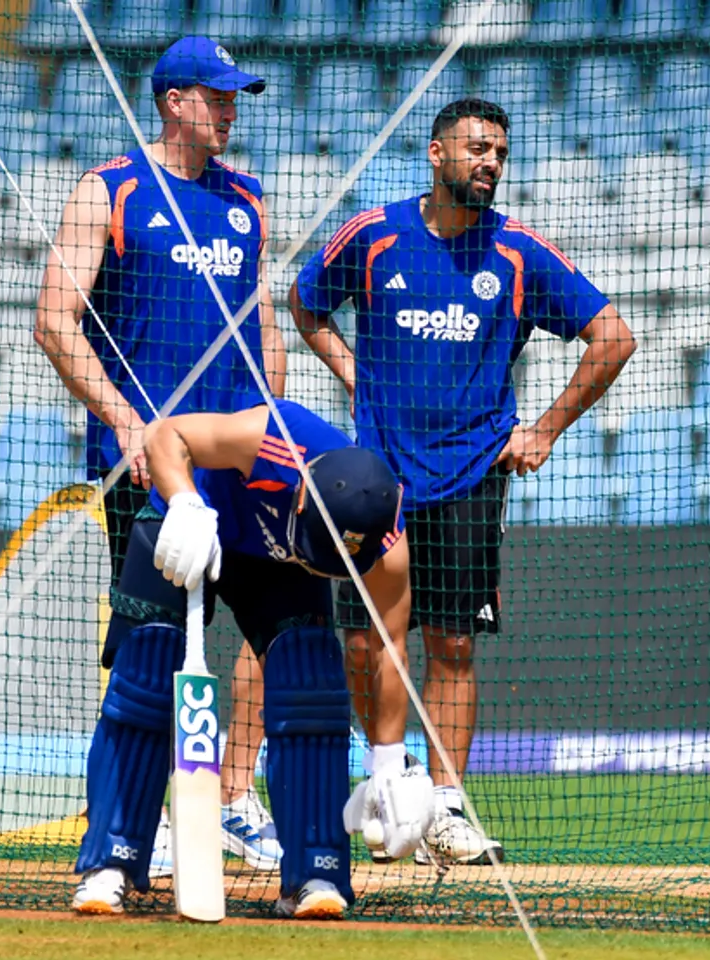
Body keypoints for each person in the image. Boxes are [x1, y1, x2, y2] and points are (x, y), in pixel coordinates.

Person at [289, 97, 637, 866]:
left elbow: (614, 336)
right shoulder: (374, 234)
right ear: (436, 154)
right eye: (477, 147)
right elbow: (305, 304)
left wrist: (544, 429)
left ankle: (444, 809)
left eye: (500, 153)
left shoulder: (517, 252)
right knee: (361, 642)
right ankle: (390, 783)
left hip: (471, 475)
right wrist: (354, 376)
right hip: (375, 480)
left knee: (450, 643)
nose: (490, 162)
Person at [34, 36, 285, 874]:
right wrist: (125, 421)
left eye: (235, 96)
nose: (230, 109)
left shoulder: (248, 199)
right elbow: (54, 319)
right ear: (173, 101)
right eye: (216, 96)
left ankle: (223, 803)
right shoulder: (107, 191)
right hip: (147, 469)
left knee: (273, 632)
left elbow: (266, 333)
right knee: (155, 643)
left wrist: (272, 431)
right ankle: (134, 825)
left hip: (239, 465)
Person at [71, 397, 435, 918]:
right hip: (192, 525)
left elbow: (390, 647)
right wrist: (186, 504)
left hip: (278, 569)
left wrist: (387, 762)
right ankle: (112, 863)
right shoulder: (270, 439)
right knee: (147, 673)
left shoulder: (385, 541)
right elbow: (164, 437)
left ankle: (315, 872)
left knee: (311, 682)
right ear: (304, 497)